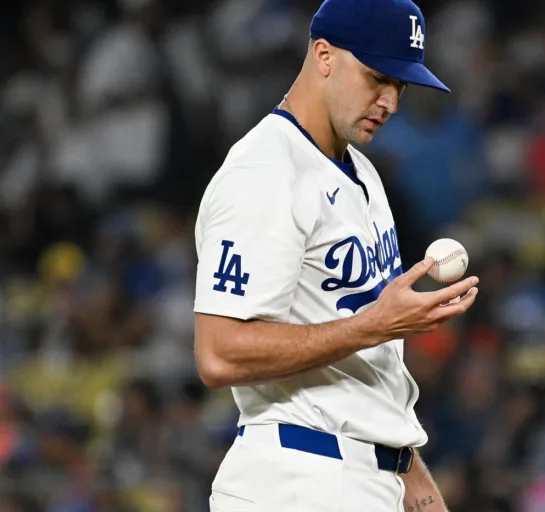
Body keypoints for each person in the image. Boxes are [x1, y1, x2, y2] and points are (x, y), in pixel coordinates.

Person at [192, 0, 480, 510]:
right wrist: (375, 324)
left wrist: (412, 478)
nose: (390, 101)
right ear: (324, 54)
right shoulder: (265, 171)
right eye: (377, 77)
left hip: (366, 476)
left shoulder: (363, 172)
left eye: (401, 84)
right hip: (296, 479)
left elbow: (364, 368)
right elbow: (219, 352)